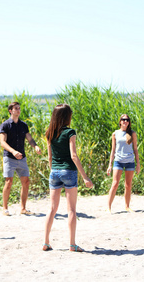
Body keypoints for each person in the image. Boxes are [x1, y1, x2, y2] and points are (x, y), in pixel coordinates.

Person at [43, 104, 94, 252]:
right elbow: (73, 155)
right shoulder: (70, 132)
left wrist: (54, 171)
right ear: (67, 116)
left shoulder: (49, 133)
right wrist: (85, 177)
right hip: (69, 172)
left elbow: (50, 157)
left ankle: (46, 242)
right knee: (71, 209)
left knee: (52, 209)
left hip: (55, 172)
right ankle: (72, 244)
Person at [0, 102, 42, 216]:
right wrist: (13, 151)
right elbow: (2, 142)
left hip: (22, 158)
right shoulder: (5, 125)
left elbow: (30, 139)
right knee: (9, 182)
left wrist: (35, 146)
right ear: (10, 111)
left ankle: (23, 208)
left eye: (19, 108)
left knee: (26, 182)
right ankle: (5, 208)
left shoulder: (23, 125)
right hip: (9, 157)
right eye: (16, 108)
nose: (18, 110)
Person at [106, 114, 141, 213]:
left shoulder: (132, 133)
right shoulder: (115, 134)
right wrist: (109, 165)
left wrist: (138, 164)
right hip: (118, 161)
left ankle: (127, 206)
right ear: (120, 122)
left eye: (127, 120)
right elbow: (113, 150)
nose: (125, 121)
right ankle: (108, 207)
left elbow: (135, 149)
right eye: (123, 119)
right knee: (115, 183)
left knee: (128, 185)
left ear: (129, 122)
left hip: (130, 161)